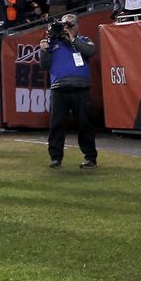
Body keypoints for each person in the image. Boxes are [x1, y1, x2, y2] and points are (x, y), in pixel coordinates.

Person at [39, 13, 98, 169]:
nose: (66, 27)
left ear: (77, 26)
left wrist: (72, 38)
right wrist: (44, 50)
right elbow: (44, 66)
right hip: (59, 88)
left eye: (70, 25)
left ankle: (90, 157)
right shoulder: (52, 43)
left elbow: (91, 51)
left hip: (81, 88)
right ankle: (55, 158)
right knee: (56, 125)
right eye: (64, 24)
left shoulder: (83, 40)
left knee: (85, 124)